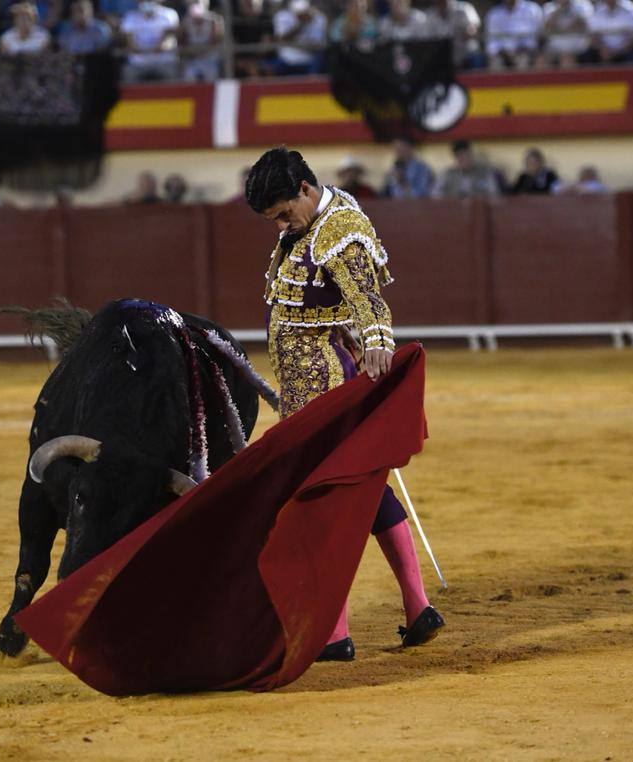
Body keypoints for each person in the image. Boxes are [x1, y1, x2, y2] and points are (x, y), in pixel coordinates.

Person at [243, 147, 444, 659]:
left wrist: (378, 342)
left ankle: (336, 634)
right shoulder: (311, 221)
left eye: (285, 213)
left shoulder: (338, 228)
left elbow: (368, 299)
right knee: (364, 492)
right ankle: (417, 608)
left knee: (324, 502)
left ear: (306, 190)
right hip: (307, 383)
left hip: (326, 385)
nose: (283, 225)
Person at [120, 0, 180, 82]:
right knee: (128, 74)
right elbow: (130, 43)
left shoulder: (170, 14)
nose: (147, 2)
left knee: (172, 76)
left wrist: (159, 48)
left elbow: (168, 40)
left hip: (164, 62)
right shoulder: (130, 17)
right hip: (137, 64)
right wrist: (140, 49)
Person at [272, 0, 327, 76]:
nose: (300, 15)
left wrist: (297, 44)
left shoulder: (319, 17)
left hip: (309, 59)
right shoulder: (282, 15)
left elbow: (317, 45)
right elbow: (281, 39)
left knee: (319, 62)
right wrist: (301, 24)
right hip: (286, 58)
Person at [485, 0, 543, 69]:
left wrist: (521, 50)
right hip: (501, 55)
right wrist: (504, 53)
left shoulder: (533, 10)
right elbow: (492, 44)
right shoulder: (494, 14)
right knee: (495, 63)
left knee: (523, 62)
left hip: (526, 53)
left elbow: (537, 38)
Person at [424, 0, 482, 68]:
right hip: (442, 59)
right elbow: (427, 39)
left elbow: (473, 28)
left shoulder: (464, 8)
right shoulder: (430, 14)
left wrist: (469, 32)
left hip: (467, 56)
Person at [436, 140, 500, 199]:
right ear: (456, 158)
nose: (464, 159)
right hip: (454, 209)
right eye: (460, 156)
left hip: (478, 209)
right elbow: (435, 195)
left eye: (466, 155)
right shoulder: (447, 175)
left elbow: (495, 194)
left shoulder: (484, 172)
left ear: (471, 155)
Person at [539, 0, 592, 66]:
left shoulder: (583, 4)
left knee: (567, 60)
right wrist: (560, 9)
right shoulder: (548, 6)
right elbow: (548, 27)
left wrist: (572, 8)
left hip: (577, 46)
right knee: (541, 60)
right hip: (555, 47)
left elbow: (584, 24)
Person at [181, 0, 223, 82]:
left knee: (211, 75)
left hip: (210, 58)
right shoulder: (186, 22)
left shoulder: (213, 20)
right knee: (189, 76)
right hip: (194, 58)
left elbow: (215, 41)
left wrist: (201, 50)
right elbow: (184, 42)